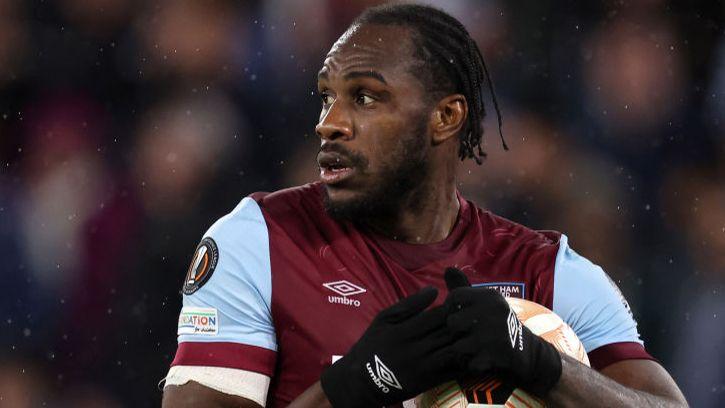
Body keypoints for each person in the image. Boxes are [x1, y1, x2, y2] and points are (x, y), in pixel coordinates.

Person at [162, 4, 687, 407]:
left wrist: (544, 365)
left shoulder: (546, 270)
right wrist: (354, 386)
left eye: (365, 97)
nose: (330, 122)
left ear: (445, 117)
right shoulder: (259, 241)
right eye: (327, 96)